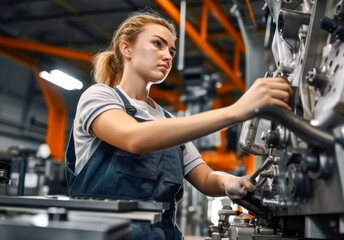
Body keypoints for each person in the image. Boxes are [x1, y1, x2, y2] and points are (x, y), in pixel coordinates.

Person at [65, 10, 292, 240]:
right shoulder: (99, 97)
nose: (167, 56)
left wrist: (231, 183)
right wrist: (235, 111)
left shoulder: (168, 122)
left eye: (171, 51)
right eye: (157, 44)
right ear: (127, 49)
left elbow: (205, 178)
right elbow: (134, 138)